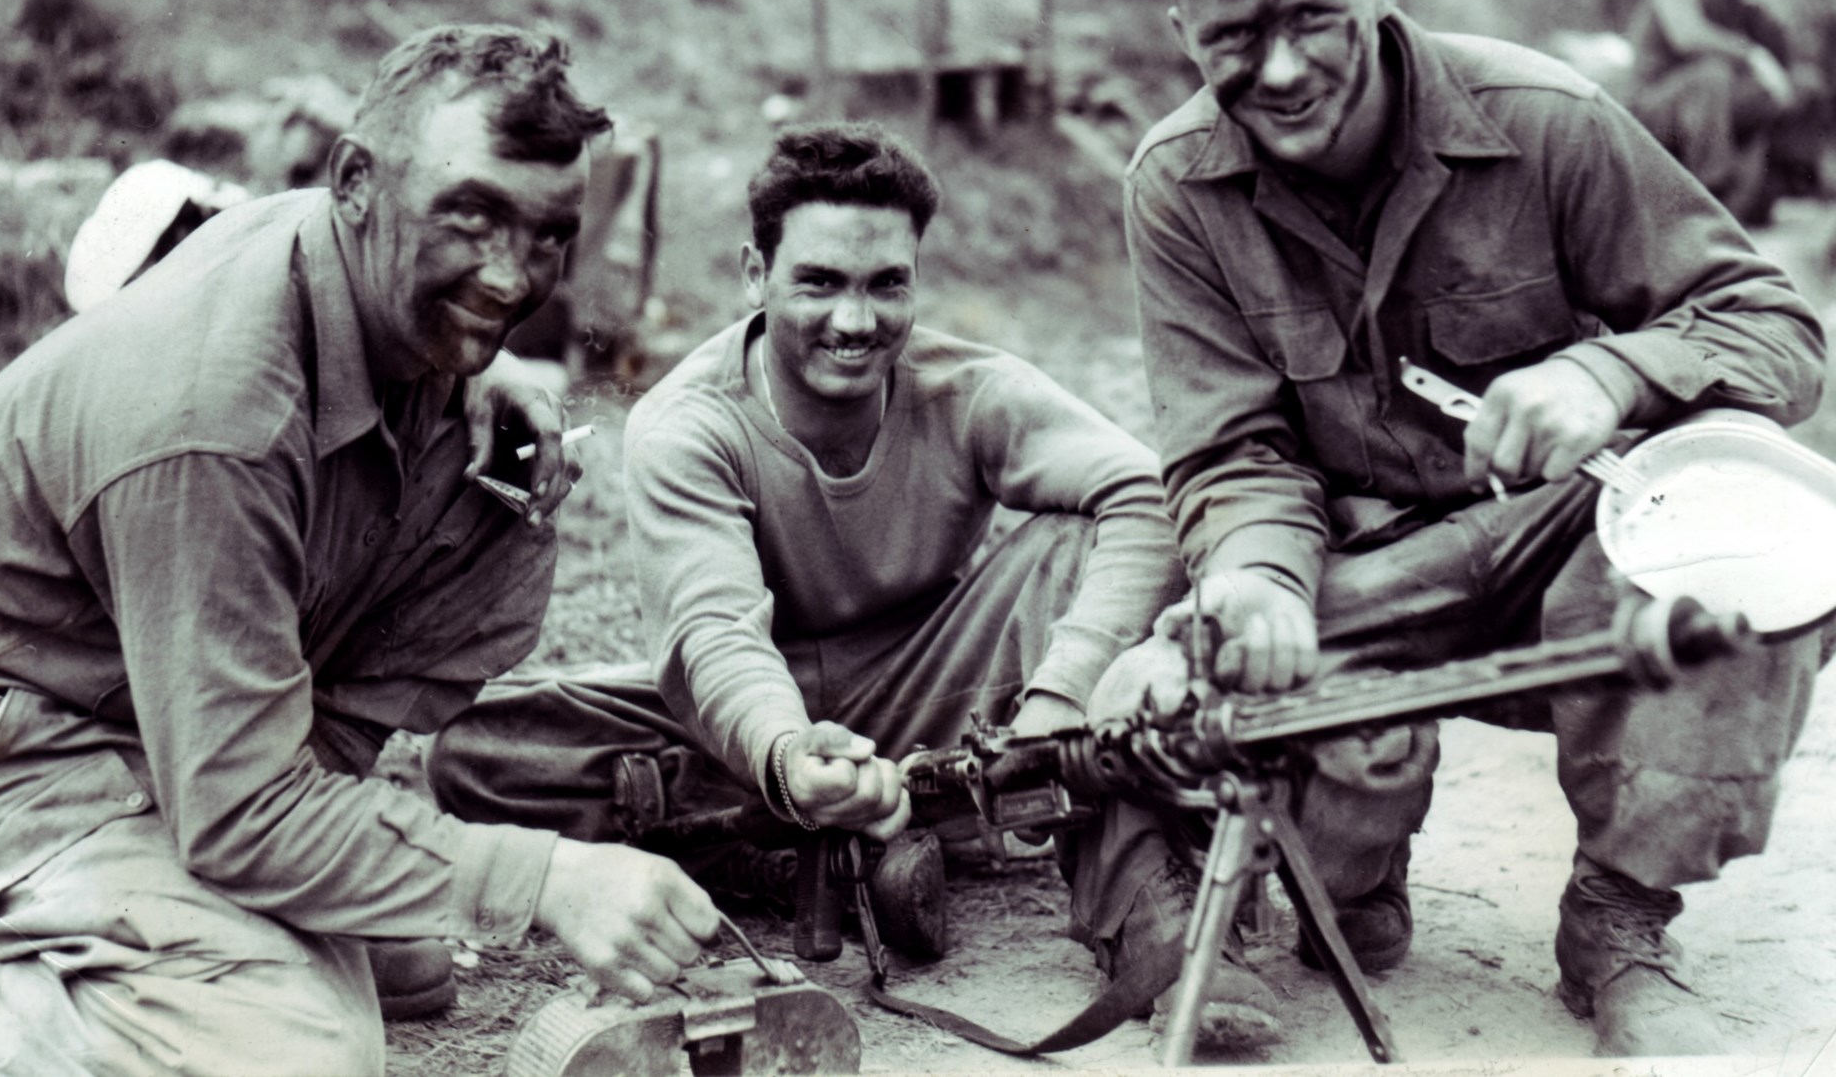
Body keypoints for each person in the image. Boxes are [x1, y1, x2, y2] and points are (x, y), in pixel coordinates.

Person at [1120, 0, 1827, 1058]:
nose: (1280, 68)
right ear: (1182, 28)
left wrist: (1607, 371)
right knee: (1198, 675)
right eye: (1233, 36)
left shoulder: (1548, 121)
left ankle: (1617, 919)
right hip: (1368, 562)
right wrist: (1254, 577)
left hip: (1569, 544)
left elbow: (1779, 331)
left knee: (1755, 525)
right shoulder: (1177, 185)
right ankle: (1349, 875)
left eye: (1313, 18)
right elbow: (1230, 449)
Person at [0, 24, 721, 1077]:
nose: (510, 275)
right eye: (471, 215)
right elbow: (242, 810)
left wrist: (480, 368)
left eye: (547, 233)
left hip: (155, 728)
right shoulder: (213, 414)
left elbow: (446, 303)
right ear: (355, 180)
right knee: (301, 1048)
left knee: (410, 962)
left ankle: (180, 916)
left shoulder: (347, 256)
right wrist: (549, 878)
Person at [426, 121, 1285, 1052]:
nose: (854, 319)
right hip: (767, 716)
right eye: (820, 282)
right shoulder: (688, 422)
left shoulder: (969, 387)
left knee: (1084, 542)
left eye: (887, 284)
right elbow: (714, 633)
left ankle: (1146, 908)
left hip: (948, 683)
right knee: (479, 750)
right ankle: (808, 845)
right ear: (756, 275)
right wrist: (789, 753)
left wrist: (1058, 702)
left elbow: (1147, 491)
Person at [1626, 0, 1803, 226]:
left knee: (1777, 91)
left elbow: (1780, 67)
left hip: (1706, 110)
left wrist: (1771, 12)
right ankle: (1710, 195)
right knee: (1713, 74)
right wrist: (1751, 54)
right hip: (1651, 108)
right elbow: (1687, 36)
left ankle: (1752, 197)